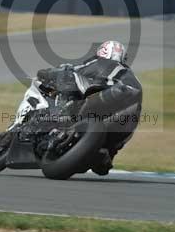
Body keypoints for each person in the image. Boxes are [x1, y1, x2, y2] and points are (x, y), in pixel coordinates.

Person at [37, 40, 143, 176]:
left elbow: (72, 70)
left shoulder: (100, 63)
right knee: (108, 154)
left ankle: (62, 124)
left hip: (110, 97)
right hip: (129, 116)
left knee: (71, 81)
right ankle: (105, 154)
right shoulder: (130, 75)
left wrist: (48, 73)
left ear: (102, 52)